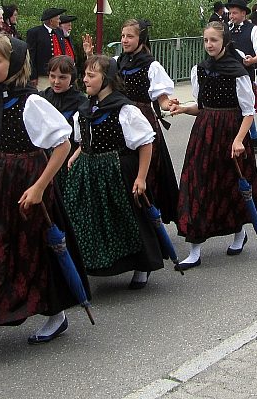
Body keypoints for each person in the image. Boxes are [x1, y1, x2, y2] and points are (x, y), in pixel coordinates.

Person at [0, 34, 88, 364]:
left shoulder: (32, 102)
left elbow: (62, 145)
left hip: (27, 180)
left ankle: (56, 315)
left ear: (14, 64)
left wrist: (39, 187)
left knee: (36, 251)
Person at [62, 55, 165, 288]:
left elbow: (145, 143)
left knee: (127, 217)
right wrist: (77, 155)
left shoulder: (125, 109)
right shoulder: (85, 108)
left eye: (91, 75)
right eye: (85, 74)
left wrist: (140, 177)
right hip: (89, 171)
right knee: (88, 218)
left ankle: (142, 265)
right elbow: (83, 140)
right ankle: (94, 262)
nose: (85, 80)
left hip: (117, 169)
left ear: (106, 79)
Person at [170, 21, 257, 270]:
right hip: (204, 132)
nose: (209, 45)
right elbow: (202, 107)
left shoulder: (237, 72)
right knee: (197, 184)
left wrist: (238, 140)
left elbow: (248, 112)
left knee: (231, 185)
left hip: (231, 132)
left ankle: (238, 233)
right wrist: (182, 109)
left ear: (224, 42)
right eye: (205, 40)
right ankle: (194, 249)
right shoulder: (200, 69)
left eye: (213, 40)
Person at [84, 19, 180, 223]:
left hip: (143, 117)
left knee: (149, 170)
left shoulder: (151, 65)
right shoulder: (118, 61)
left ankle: (150, 218)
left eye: (130, 36)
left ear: (141, 38)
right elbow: (101, 77)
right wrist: (90, 56)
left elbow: (161, 99)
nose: (125, 40)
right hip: (118, 120)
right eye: (123, 36)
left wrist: (168, 104)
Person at [39, 55, 87, 192]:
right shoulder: (42, 97)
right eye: (52, 76)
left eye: (62, 77)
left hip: (69, 156)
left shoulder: (80, 102)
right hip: (45, 155)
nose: (56, 81)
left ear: (72, 77)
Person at [226, 0, 257, 153]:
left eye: (235, 13)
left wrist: (252, 60)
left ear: (243, 13)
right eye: (230, 13)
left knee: (246, 107)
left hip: (244, 74)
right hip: (227, 74)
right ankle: (238, 137)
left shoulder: (253, 29)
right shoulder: (226, 29)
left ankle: (254, 136)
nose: (231, 16)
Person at [27, 8, 68, 87]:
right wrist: (33, 76)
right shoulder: (35, 33)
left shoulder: (59, 32)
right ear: (51, 21)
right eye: (58, 19)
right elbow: (31, 56)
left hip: (60, 74)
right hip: (43, 76)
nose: (59, 21)